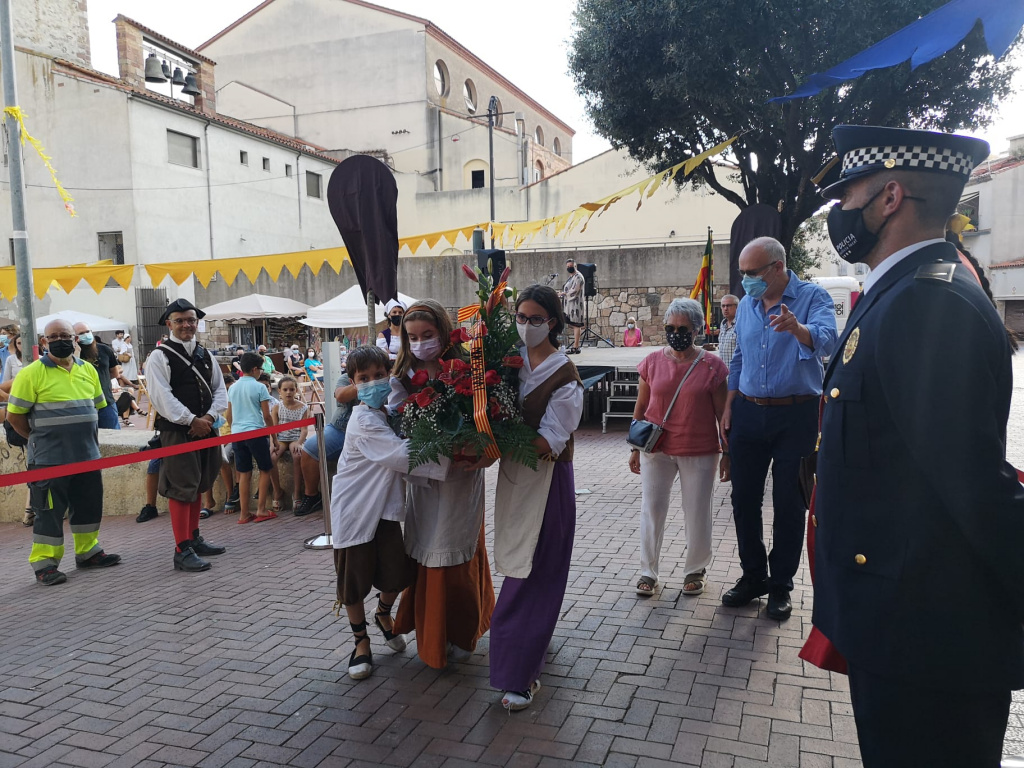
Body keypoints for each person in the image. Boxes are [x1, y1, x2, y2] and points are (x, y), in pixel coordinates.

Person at [807, 125, 1024, 768]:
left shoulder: (925, 303)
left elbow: (973, 485)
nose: (839, 212)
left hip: (927, 639)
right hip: (906, 622)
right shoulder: (906, 291)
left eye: (848, 194)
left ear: (890, 196)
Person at [720, 236, 836, 621]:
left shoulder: (813, 297)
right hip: (749, 415)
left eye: (752, 273)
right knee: (743, 500)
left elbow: (828, 342)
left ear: (778, 267)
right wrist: (729, 404)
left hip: (797, 414)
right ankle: (754, 576)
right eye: (741, 273)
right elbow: (739, 356)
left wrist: (798, 329)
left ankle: (781, 586)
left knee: (790, 503)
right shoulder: (749, 307)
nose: (745, 281)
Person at [330, 345, 450, 680]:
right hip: (355, 510)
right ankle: (360, 643)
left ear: (389, 375)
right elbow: (400, 455)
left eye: (378, 375)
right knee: (353, 581)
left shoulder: (387, 413)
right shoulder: (365, 421)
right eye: (363, 379)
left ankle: (383, 613)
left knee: (397, 573)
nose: (372, 383)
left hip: (383, 508)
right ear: (353, 383)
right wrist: (450, 449)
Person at [490, 285, 583, 710]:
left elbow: (550, 440)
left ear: (554, 322)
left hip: (547, 482)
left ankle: (520, 672)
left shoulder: (564, 375)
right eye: (521, 318)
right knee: (516, 560)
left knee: (535, 571)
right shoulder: (507, 361)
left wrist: (491, 445)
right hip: (515, 477)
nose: (526, 326)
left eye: (535, 319)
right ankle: (528, 645)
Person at [390, 299, 495, 668]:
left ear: (444, 332)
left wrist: (477, 444)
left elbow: (486, 421)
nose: (420, 343)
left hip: (462, 481)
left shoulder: (469, 372)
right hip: (424, 482)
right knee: (426, 550)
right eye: (413, 337)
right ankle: (429, 633)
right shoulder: (401, 378)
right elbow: (397, 429)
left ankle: (463, 630)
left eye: (428, 335)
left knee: (457, 549)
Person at [6, 319, 121, 585]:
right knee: (48, 512)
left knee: (88, 506)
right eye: (53, 336)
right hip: (48, 460)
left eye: (65, 335)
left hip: (87, 455)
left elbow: (96, 408)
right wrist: (37, 440)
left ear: (75, 339)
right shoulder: (30, 373)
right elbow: (15, 418)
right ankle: (45, 564)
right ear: (44, 342)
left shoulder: (88, 371)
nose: (61, 340)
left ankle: (88, 551)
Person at [629, 298, 730, 598]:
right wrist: (634, 449)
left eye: (683, 328)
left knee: (697, 510)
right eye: (670, 328)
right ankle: (648, 571)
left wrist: (728, 453)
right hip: (655, 448)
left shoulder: (713, 366)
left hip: (699, 450)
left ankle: (695, 569)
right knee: (652, 509)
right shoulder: (651, 362)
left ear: (697, 330)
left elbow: (721, 414)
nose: (676, 333)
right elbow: (641, 407)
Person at [146, 298, 228, 573]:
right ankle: (181, 549)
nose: (186, 325)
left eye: (191, 320)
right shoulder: (159, 356)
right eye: (180, 320)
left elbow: (220, 390)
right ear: (169, 324)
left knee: (199, 482)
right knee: (182, 487)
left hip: (206, 428)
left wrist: (209, 418)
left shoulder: (205, 354)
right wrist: (191, 420)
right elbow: (161, 397)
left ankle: (193, 537)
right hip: (178, 432)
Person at [294, 370, 358, 516]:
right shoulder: (346, 378)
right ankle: (312, 496)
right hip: (341, 429)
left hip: (373, 430)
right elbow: (341, 396)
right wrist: (366, 382)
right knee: (310, 448)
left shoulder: (385, 378)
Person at [226, 352, 277, 524]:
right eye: (261, 369)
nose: (261, 372)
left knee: (244, 473)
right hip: (256, 431)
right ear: (255, 369)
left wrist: (235, 428)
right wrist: (274, 438)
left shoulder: (233, 387)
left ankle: (244, 513)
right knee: (265, 469)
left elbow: (229, 414)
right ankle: (261, 509)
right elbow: (267, 415)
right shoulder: (260, 387)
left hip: (237, 433)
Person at [73, 321, 131, 430]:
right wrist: (76, 353)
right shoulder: (72, 354)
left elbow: (114, 372)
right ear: (75, 337)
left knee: (113, 438)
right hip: (83, 405)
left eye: (87, 331)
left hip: (106, 402)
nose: (86, 335)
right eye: (81, 333)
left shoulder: (105, 349)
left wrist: (100, 381)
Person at [271, 376, 309, 510]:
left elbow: (304, 430)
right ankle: (277, 491)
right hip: (281, 438)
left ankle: (297, 492)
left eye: (291, 389)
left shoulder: (303, 407)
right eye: (285, 390)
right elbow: (273, 428)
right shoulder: (277, 407)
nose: (288, 392)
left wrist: (299, 442)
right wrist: (272, 443)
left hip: (294, 438)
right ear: (279, 391)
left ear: (296, 390)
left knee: (297, 455)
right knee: (272, 458)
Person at [559, 258, 584, 353]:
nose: (569, 268)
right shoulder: (571, 277)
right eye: (568, 267)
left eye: (571, 266)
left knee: (576, 324)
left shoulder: (578, 277)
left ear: (575, 266)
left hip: (576, 305)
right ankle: (575, 346)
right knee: (573, 325)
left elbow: (575, 290)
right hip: (570, 305)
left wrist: (564, 294)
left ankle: (576, 346)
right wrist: (562, 293)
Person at [715, 294, 739, 366]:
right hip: (724, 371)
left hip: (737, 372)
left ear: (737, 307)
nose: (725, 308)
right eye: (723, 306)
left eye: (728, 306)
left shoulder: (741, 324)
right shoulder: (723, 324)